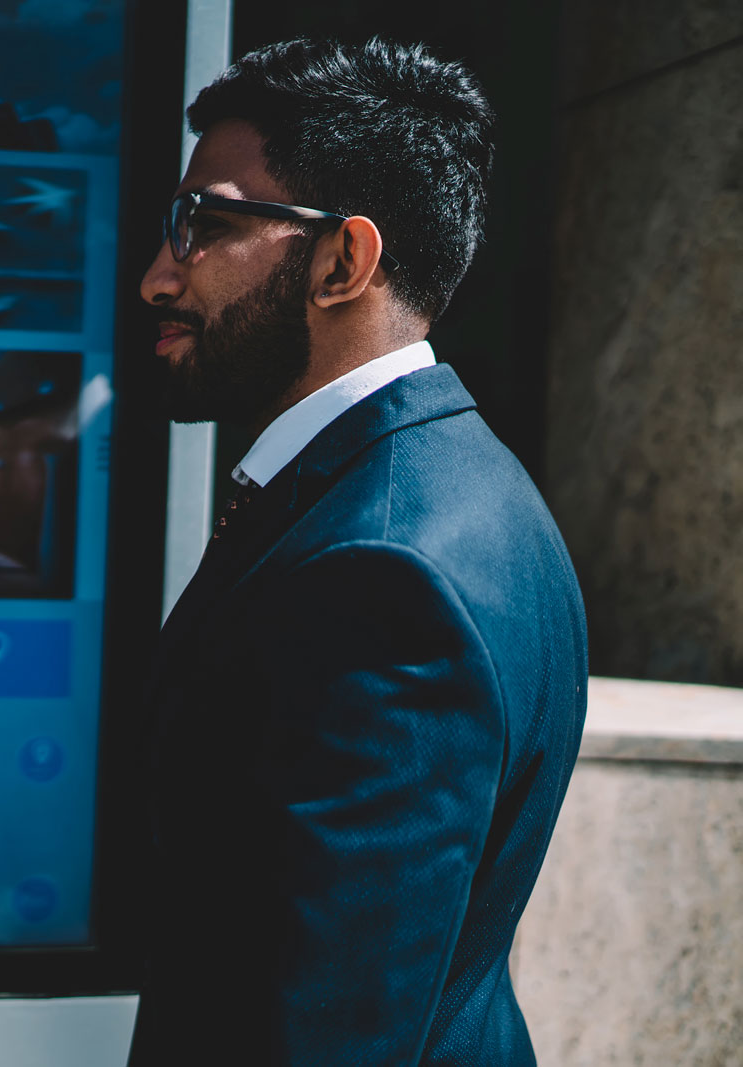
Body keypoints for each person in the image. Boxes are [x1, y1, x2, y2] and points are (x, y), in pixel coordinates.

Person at [128, 38, 587, 1065]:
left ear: (343, 261)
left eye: (202, 222)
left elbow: (326, 1029)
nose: (160, 273)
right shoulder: (454, 484)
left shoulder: (385, 570)